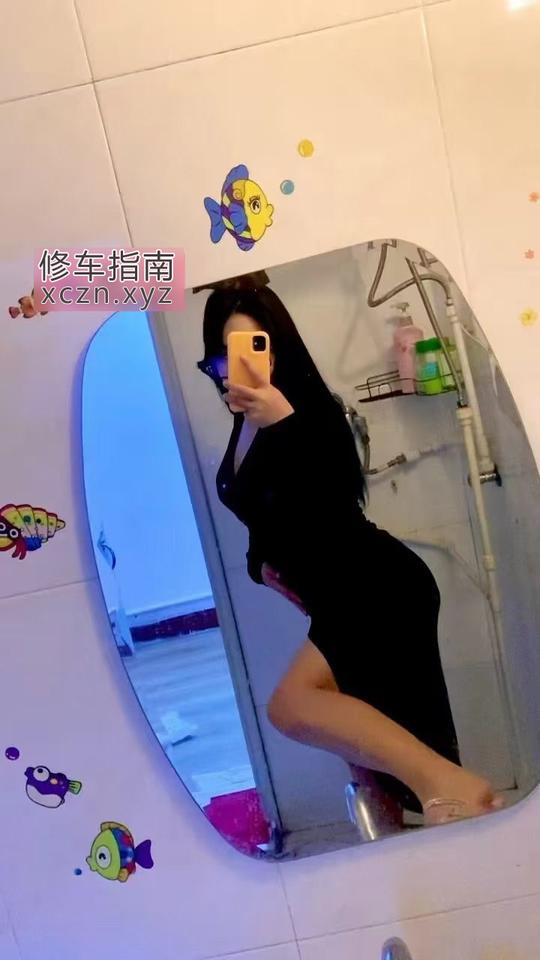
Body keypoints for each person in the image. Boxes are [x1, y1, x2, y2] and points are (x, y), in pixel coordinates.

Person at [197, 284, 503, 826]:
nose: (236, 366)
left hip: (376, 588)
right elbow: (262, 513)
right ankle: (415, 842)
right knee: (366, 756)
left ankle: (454, 789)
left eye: (253, 347)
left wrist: (284, 421)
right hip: (339, 597)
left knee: (293, 708)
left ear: (278, 348)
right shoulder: (244, 425)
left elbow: (329, 498)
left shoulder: (310, 414)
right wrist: (261, 566)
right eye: (223, 355)